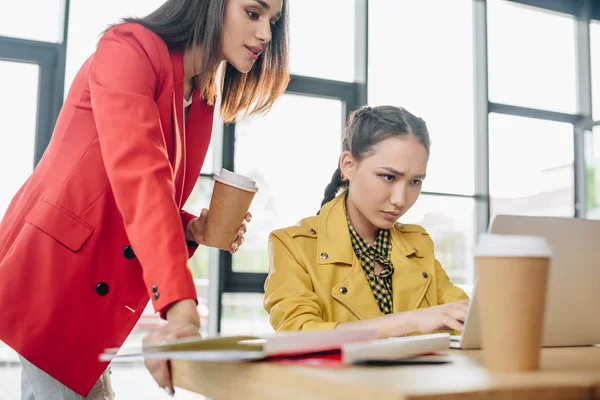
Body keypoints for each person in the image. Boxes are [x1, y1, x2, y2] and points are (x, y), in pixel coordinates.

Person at [0, 0, 289, 398]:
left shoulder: (202, 96)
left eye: (272, 22)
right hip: (53, 276)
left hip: (98, 292)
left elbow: (153, 193)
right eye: (253, 13)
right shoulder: (128, 49)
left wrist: (191, 225)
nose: (266, 35)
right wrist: (180, 306)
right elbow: (141, 177)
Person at [264, 105, 468, 339]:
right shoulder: (291, 244)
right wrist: (413, 320)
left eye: (415, 182)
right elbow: (296, 334)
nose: (400, 200)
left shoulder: (418, 242)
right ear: (348, 165)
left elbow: (464, 316)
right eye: (388, 177)